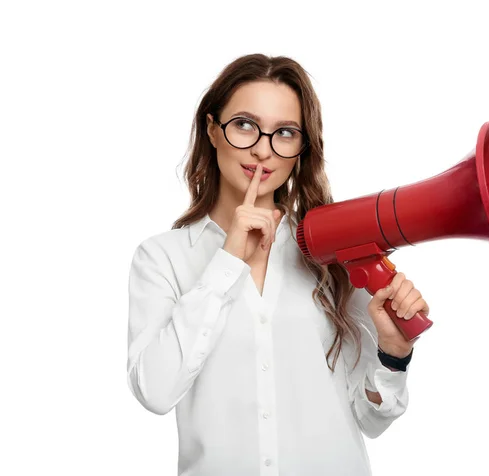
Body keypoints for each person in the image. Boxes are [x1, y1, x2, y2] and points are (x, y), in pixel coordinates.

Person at [126, 53, 430, 476]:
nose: (263, 150)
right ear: (213, 130)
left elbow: (371, 419)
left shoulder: (333, 249)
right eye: (245, 125)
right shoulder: (161, 258)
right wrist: (227, 262)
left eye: (284, 132)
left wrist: (393, 356)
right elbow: (155, 392)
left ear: (301, 149)